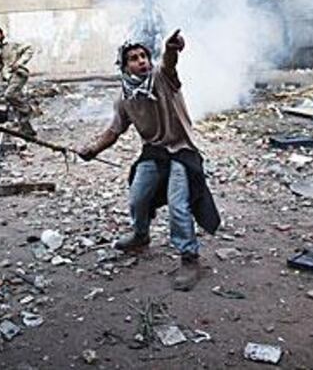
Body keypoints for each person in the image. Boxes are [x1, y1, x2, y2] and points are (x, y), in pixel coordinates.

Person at [76, 30, 220, 291]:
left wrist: (172, 48)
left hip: (181, 149)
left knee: (178, 205)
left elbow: (169, 62)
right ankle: (141, 236)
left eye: (144, 56)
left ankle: (190, 258)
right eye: (133, 58)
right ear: (124, 66)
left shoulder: (162, 79)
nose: (141, 61)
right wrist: (93, 149)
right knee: (137, 196)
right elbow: (114, 131)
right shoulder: (124, 98)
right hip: (155, 151)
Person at [0, 26, 36, 136]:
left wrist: (20, 63)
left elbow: (30, 48)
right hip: (10, 76)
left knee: (9, 95)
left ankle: (28, 109)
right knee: (14, 103)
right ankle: (27, 129)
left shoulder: (12, 43)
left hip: (19, 74)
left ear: (1, 34)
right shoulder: (0, 48)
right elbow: (0, 63)